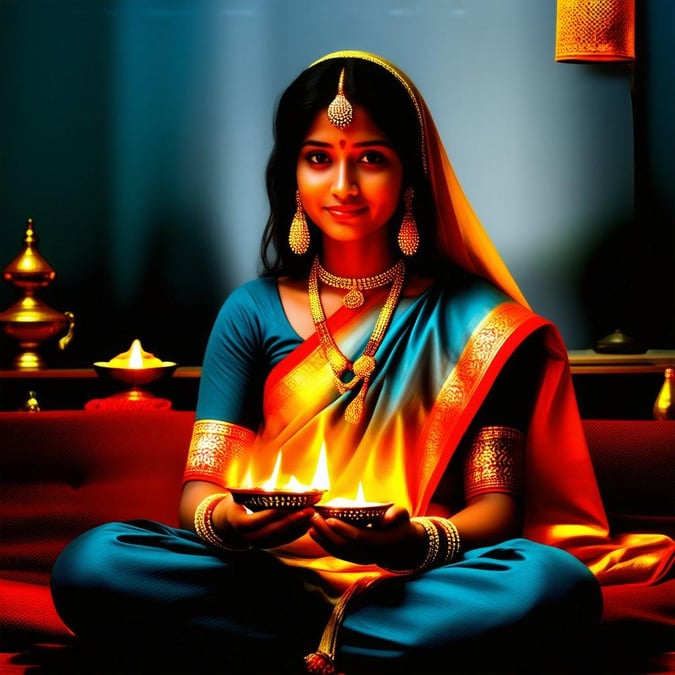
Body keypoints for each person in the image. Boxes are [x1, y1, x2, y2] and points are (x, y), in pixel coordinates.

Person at [51, 51, 674, 674]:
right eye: (319, 158)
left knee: (554, 584)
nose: (343, 186)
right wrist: (233, 524)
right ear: (292, 173)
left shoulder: (479, 321)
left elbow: (499, 508)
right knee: (96, 562)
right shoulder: (251, 311)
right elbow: (199, 492)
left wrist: (415, 541)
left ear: (410, 175)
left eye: (370, 159)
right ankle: (351, 638)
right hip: (265, 571)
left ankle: (291, 638)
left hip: (414, 580)